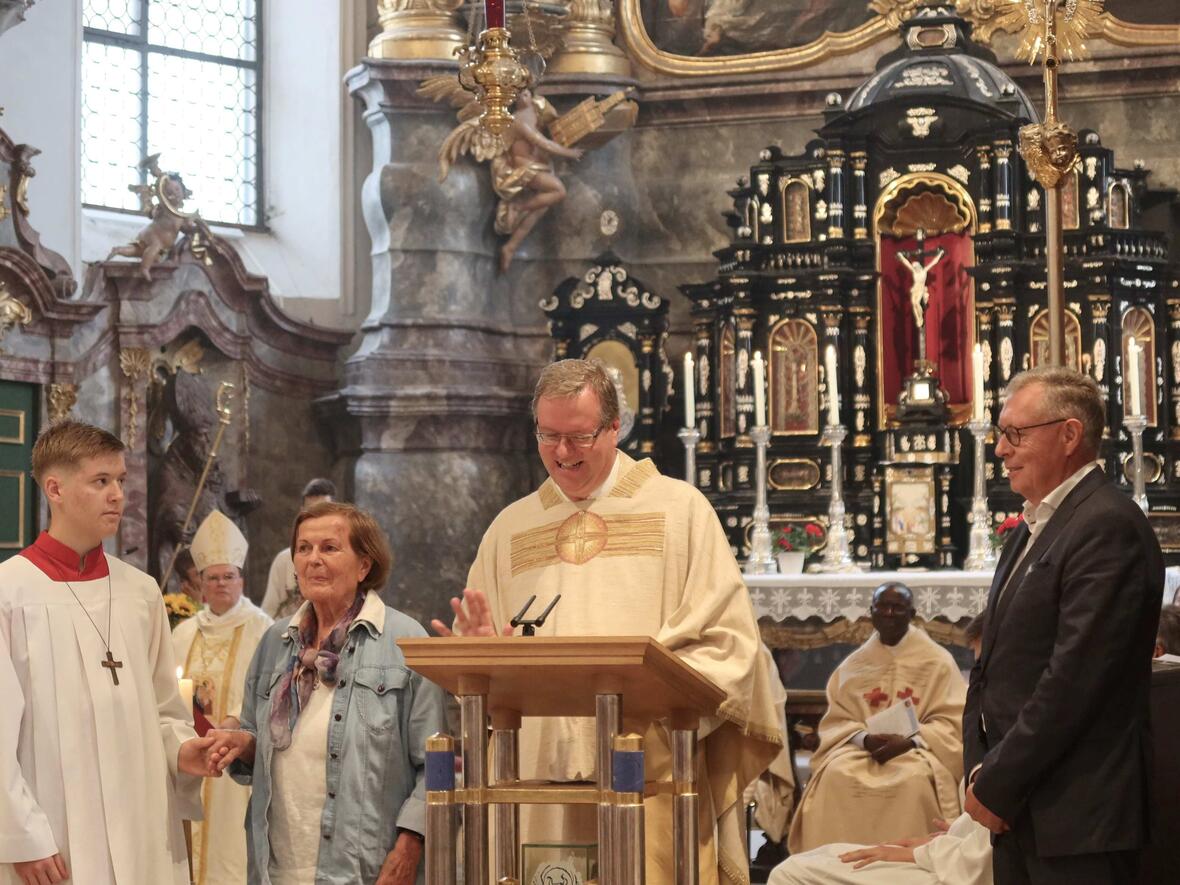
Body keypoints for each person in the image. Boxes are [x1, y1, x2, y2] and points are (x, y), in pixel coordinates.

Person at [433, 358, 782, 884]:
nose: (562, 453)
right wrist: (484, 657)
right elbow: (483, 667)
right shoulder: (511, 528)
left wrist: (650, 682)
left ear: (615, 428)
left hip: (650, 766)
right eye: (548, 436)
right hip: (536, 772)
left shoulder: (680, 511)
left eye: (578, 436)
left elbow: (729, 642)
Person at [964, 367, 1163, 884]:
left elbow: (1074, 679)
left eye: (1015, 434)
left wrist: (999, 781)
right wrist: (980, 767)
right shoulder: (1032, 526)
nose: (1001, 450)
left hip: (1078, 813)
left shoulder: (1107, 525)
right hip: (1022, 805)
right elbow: (992, 664)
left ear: (1070, 434)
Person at [0, 420, 220, 885]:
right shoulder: (10, 593)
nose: (118, 495)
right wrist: (20, 837)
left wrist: (183, 749)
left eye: (120, 479)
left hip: (143, 823)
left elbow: (165, 709)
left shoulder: (140, 592)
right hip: (53, 833)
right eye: (100, 481)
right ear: (55, 489)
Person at [207, 502, 446, 885]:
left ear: (364, 565)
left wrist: (410, 846)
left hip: (365, 870)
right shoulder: (275, 641)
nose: (313, 559)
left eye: (329, 548)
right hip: (277, 869)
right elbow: (256, 733)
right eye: (303, 548)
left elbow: (439, 762)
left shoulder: (405, 642)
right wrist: (243, 743)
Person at [787, 582, 965, 854]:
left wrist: (912, 742)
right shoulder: (855, 664)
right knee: (836, 775)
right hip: (862, 751)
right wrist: (864, 739)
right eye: (882, 607)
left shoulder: (937, 661)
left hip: (916, 751)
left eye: (897, 608)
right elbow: (838, 721)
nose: (889, 614)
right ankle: (836, 864)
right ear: (870, 612)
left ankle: (911, 864)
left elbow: (952, 722)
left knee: (913, 781)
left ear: (912, 614)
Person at [172, 510, 273, 885]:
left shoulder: (264, 630)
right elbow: (167, 692)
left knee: (229, 850)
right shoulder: (182, 632)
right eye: (212, 578)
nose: (220, 584)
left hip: (234, 762)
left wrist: (231, 724)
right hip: (189, 754)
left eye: (228, 576)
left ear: (241, 579)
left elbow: (268, 692)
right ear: (199, 583)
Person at [261, 478, 335, 620]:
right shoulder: (284, 560)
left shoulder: (342, 558)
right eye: (311, 511)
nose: (317, 518)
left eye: (324, 511)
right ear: (302, 513)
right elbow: (269, 613)